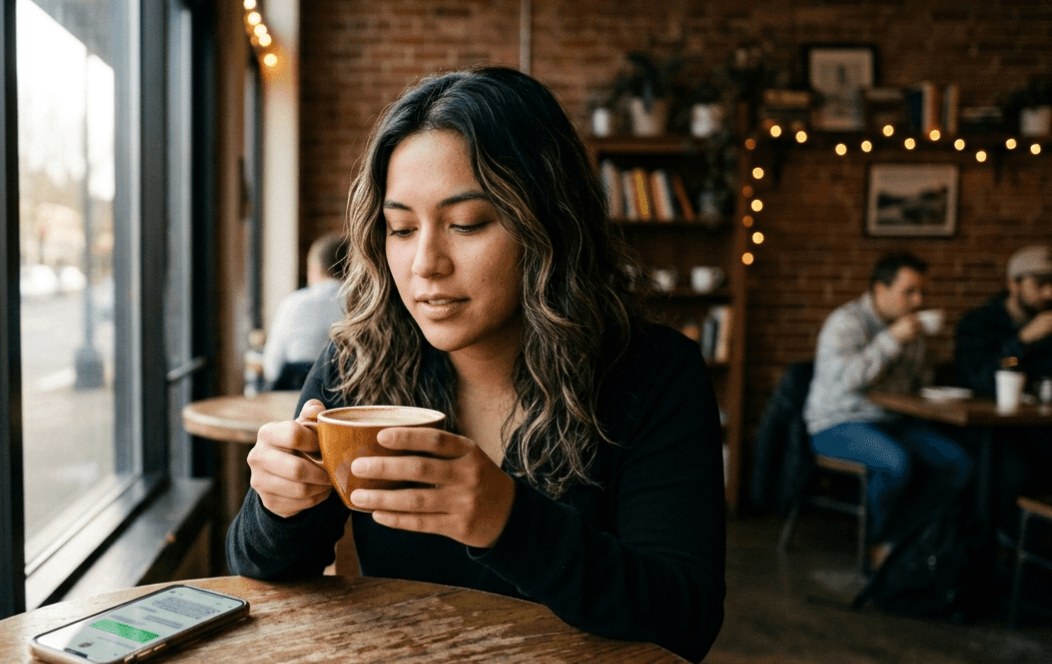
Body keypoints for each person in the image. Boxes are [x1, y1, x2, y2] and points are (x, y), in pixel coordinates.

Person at [226, 67, 725, 661]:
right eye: (402, 228)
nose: (425, 264)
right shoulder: (357, 361)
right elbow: (262, 569)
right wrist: (279, 507)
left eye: (466, 224)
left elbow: (686, 617)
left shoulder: (653, 375)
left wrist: (506, 521)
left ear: (549, 224)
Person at [804, 252, 972, 562]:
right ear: (880, 290)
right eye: (909, 292)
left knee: (957, 463)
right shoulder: (846, 322)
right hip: (836, 423)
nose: (918, 300)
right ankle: (879, 543)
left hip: (892, 420)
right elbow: (852, 379)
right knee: (896, 462)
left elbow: (914, 384)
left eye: (921, 292)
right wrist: (893, 339)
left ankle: (906, 538)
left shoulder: (910, 328)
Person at [953, 244, 1052, 533]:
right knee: (1009, 469)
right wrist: (1022, 341)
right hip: (991, 432)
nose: (1049, 294)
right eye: (1041, 284)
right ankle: (997, 545)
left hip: (1040, 428)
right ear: (1013, 284)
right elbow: (979, 380)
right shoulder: (978, 324)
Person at [261, 232, 346, 390]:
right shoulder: (362, 305)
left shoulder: (292, 303)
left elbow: (271, 368)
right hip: (342, 401)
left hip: (291, 398)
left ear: (315, 268)